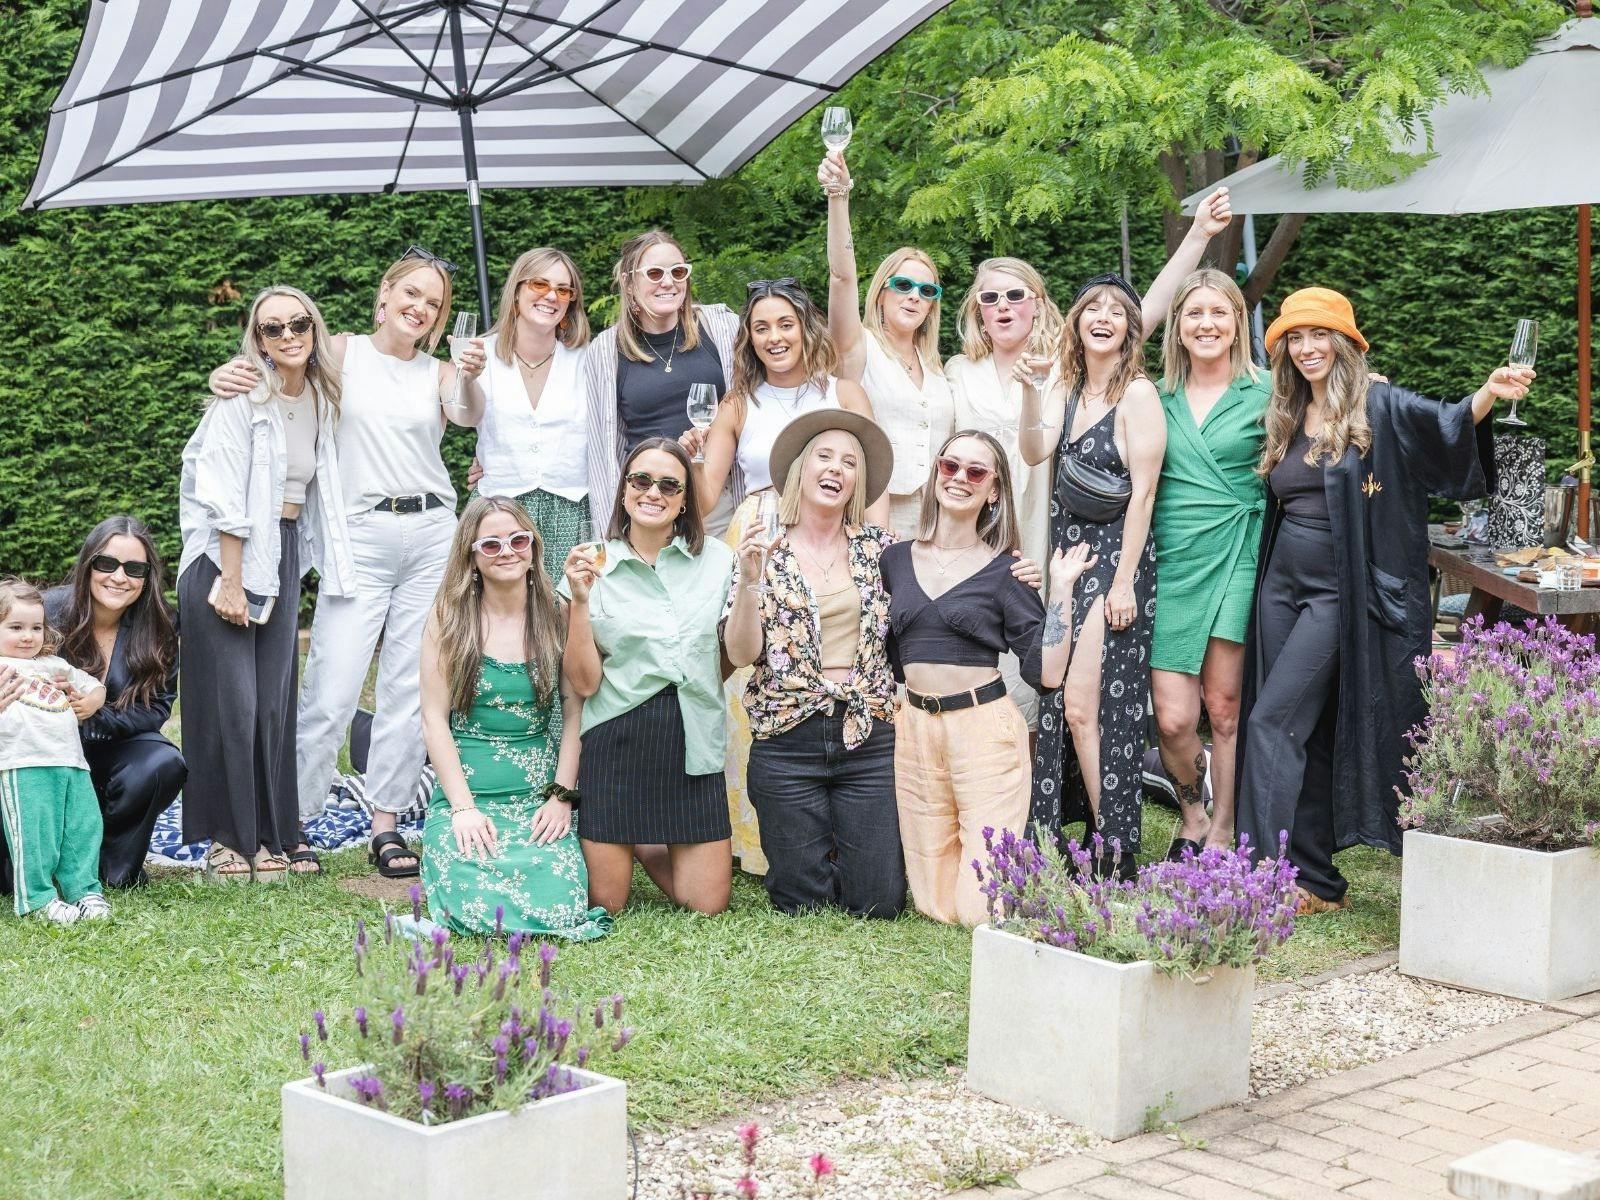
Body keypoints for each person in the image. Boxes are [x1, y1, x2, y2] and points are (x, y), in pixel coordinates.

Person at [1236, 288, 1524, 914]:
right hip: (1280, 584)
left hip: (1339, 592)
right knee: (1300, 727)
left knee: (1270, 720)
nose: (1307, 348)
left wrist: (1487, 394)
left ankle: (1258, 878)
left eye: (1319, 336)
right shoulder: (1286, 410)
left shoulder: (1379, 405)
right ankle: (1313, 879)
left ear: (1344, 343)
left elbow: (1443, 423)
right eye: (1295, 338)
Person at [209, 248, 488, 878]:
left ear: (443, 320)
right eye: (410, 293)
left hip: (431, 534)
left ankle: (386, 824)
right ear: (384, 294)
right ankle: (296, 818)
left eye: (434, 303)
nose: (420, 307)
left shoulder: (442, 371)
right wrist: (228, 374)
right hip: (356, 534)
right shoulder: (341, 353)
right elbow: (277, 359)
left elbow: (469, 414)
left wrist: (470, 375)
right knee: (331, 687)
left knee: (409, 687)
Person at [680, 279, 882, 875]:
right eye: (761, 327)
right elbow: (706, 494)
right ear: (748, 338)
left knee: (836, 659)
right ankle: (761, 838)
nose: (774, 337)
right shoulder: (738, 403)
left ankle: (845, 816)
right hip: (763, 533)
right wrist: (692, 458)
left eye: (784, 324)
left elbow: (870, 482)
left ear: (806, 327)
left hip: (836, 532)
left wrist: (879, 554)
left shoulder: (842, 391)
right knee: (756, 680)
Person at [182, 286, 353, 881]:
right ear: (255, 340)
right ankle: (228, 838)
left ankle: (274, 832)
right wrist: (230, 581)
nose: (286, 336)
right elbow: (225, 494)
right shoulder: (240, 398)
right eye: (270, 329)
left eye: (297, 324)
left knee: (274, 701)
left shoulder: (323, 395)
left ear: (314, 327)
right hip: (224, 557)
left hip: (278, 555)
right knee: (233, 700)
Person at [560, 438, 756, 915]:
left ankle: (647, 845)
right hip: (617, 736)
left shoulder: (718, 560)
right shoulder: (589, 562)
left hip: (694, 739)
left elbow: (733, 654)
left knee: (707, 907)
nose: (654, 492)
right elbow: (584, 684)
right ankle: (639, 842)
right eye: (641, 480)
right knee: (606, 904)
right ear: (624, 490)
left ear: (685, 499)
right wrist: (581, 602)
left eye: (670, 484)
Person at [721, 409, 904, 917]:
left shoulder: (882, 550)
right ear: (801, 468)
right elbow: (740, 655)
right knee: (801, 903)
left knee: (879, 903)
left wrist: (1009, 568)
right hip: (787, 740)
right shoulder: (763, 546)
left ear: (857, 481)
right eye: (824, 456)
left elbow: (939, 588)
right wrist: (751, 580)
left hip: (867, 735)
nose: (836, 469)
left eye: (849, 462)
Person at [1019, 274, 1166, 875]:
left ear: (1131, 328)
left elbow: (1145, 494)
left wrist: (1125, 579)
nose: (1103, 317)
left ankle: (1116, 849)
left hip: (1114, 565)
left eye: (1117, 311)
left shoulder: (1138, 395)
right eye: (1092, 309)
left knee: (1089, 707)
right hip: (1067, 564)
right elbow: (1033, 452)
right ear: (1076, 322)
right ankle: (1094, 840)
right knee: (1061, 701)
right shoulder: (1066, 387)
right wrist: (1030, 392)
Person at [418, 496, 611, 939]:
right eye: (490, 545)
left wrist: (562, 797)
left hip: (538, 800)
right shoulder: (448, 617)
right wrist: (462, 810)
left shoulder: (556, 614)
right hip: (468, 796)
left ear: (533, 547)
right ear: (471, 556)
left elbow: (574, 708)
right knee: (466, 902)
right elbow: (433, 719)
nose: (507, 551)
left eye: (518, 539)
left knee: (561, 905)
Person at [881, 431, 1047, 927]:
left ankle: (1029, 878)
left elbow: (1045, 670)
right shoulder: (893, 559)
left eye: (976, 472)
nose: (959, 478)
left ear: (994, 491)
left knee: (982, 912)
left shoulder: (1008, 571)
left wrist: (1059, 599)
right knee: (933, 905)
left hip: (982, 727)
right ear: (935, 474)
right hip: (914, 729)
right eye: (950, 466)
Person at [1148, 269, 1270, 859]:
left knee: (1224, 708)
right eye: (1194, 313)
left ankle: (1221, 828)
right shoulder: (1154, 396)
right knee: (1173, 719)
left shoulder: (1269, 391)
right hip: (1172, 559)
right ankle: (1190, 810)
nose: (1207, 324)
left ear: (1238, 323)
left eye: (1219, 312)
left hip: (1236, 555)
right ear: (1178, 326)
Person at [946, 259, 1065, 729]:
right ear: (977, 309)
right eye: (990, 297)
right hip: (975, 520)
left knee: (1033, 627)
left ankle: (1039, 783)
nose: (1003, 306)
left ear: (1037, 303)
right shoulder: (958, 369)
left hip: (1040, 516)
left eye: (1015, 295)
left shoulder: (1062, 366)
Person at [818, 151, 956, 536]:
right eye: (903, 285)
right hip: (874, 521)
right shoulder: (858, 348)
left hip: (938, 524)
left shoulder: (937, 369)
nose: (914, 296)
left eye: (926, 290)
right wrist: (839, 197)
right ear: (881, 293)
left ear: (932, 305)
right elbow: (841, 278)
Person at [41, 517, 183, 889]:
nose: (119, 577)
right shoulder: (46, 611)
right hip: (42, 749)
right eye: (107, 564)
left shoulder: (162, 625)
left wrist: (95, 716)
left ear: (146, 576)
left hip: (112, 749)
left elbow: (157, 708)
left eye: (134, 568)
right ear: (89, 565)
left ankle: (114, 867)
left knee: (162, 762)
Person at [584, 230, 742, 538]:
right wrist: (610, 536)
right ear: (629, 284)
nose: (668, 282)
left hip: (716, 505)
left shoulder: (722, 327)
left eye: (678, 271)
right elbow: (601, 451)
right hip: (648, 506)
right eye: (654, 273)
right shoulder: (605, 350)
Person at [470, 248, 594, 584]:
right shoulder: (480, 355)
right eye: (540, 284)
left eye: (564, 290)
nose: (552, 296)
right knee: (495, 617)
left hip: (570, 510)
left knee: (567, 616)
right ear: (516, 293)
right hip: (499, 514)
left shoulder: (589, 360)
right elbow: (459, 415)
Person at [0, 578, 109, 924]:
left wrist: (91, 701)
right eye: (15, 627)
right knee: (35, 833)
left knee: (82, 827)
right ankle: (36, 898)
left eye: (36, 627)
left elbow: (95, 686)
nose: (28, 636)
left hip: (71, 762)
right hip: (24, 762)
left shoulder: (53, 665)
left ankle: (85, 892)